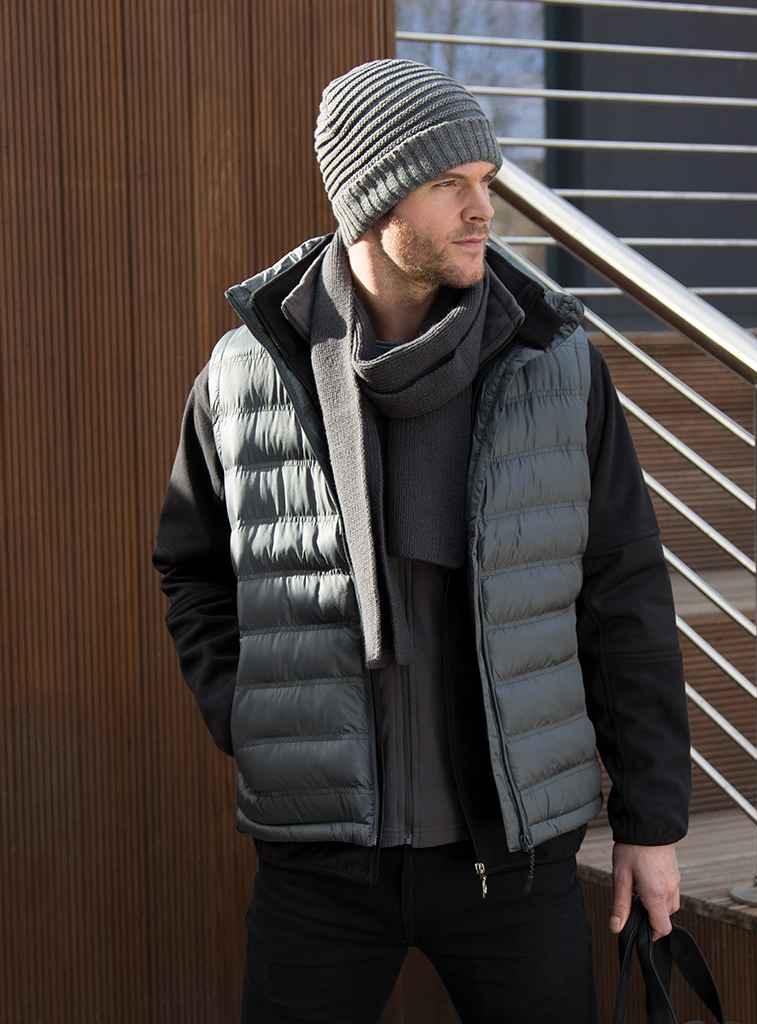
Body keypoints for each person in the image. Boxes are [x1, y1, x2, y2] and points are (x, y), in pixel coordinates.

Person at [151, 58, 690, 1024]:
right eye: (448, 184)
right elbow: (192, 570)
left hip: (513, 858)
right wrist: (253, 718)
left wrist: (651, 822)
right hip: (320, 862)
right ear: (372, 199)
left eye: (486, 181)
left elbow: (624, 595)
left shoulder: (552, 364)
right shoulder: (245, 372)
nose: (482, 210)